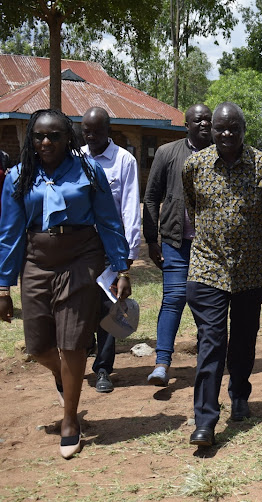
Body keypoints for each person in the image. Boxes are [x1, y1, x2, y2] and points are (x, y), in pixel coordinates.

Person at [0, 109, 131, 459]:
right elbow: (10, 235)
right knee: (38, 346)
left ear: (68, 138)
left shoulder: (89, 171)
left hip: (80, 259)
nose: (46, 142)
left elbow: (109, 220)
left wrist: (122, 267)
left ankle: (70, 418)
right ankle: (62, 376)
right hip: (37, 261)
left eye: (55, 135)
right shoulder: (18, 177)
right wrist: (3, 287)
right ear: (31, 139)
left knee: (72, 342)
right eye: (39, 136)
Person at [182, 102, 262, 447]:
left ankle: (240, 394)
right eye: (219, 128)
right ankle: (205, 420)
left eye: (233, 128)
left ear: (243, 130)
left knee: (243, 339)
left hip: (250, 270)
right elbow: (192, 207)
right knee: (211, 341)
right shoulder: (195, 165)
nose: (226, 134)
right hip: (207, 266)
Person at [143, 104, 213, 386]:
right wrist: (151, 240)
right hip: (175, 243)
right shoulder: (167, 153)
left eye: (208, 119)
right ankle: (162, 364)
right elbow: (151, 198)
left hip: (210, 248)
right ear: (187, 125)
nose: (205, 124)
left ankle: (207, 363)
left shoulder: (221, 152)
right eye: (198, 120)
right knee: (173, 300)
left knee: (207, 306)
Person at [80, 107, 141, 393]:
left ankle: (103, 368)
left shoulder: (123, 161)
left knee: (109, 307)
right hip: (78, 248)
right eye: (86, 132)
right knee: (79, 305)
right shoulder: (76, 159)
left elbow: (129, 207)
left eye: (97, 131)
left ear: (109, 130)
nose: (92, 137)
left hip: (109, 248)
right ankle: (79, 355)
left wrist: (126, 259)